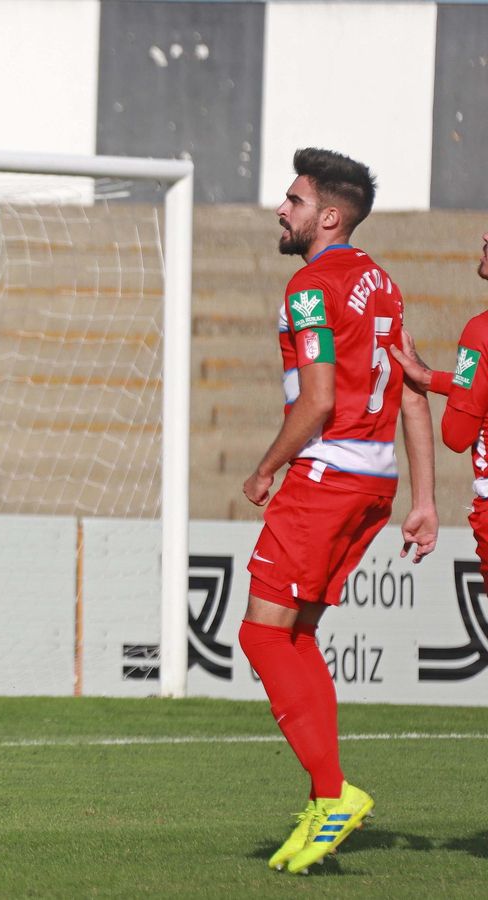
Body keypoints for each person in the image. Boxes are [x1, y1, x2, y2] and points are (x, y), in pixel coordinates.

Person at [239, 148, 437, 875]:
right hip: (375, 484)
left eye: (292, 200)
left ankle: (333, 792)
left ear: (328, 216)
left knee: (263, 638)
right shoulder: (382, 284)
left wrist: (266, 468)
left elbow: (319, 403)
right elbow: (412, 387)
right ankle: (327, 801)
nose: (280, 210)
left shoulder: (310, 287)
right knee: (295, 637)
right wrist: (423, 500)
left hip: (327, 478)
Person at [386, 230, 488, 584]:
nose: (485, 235)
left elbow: (456, 435)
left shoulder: (480, 332)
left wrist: (450, 385)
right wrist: (430, 378)